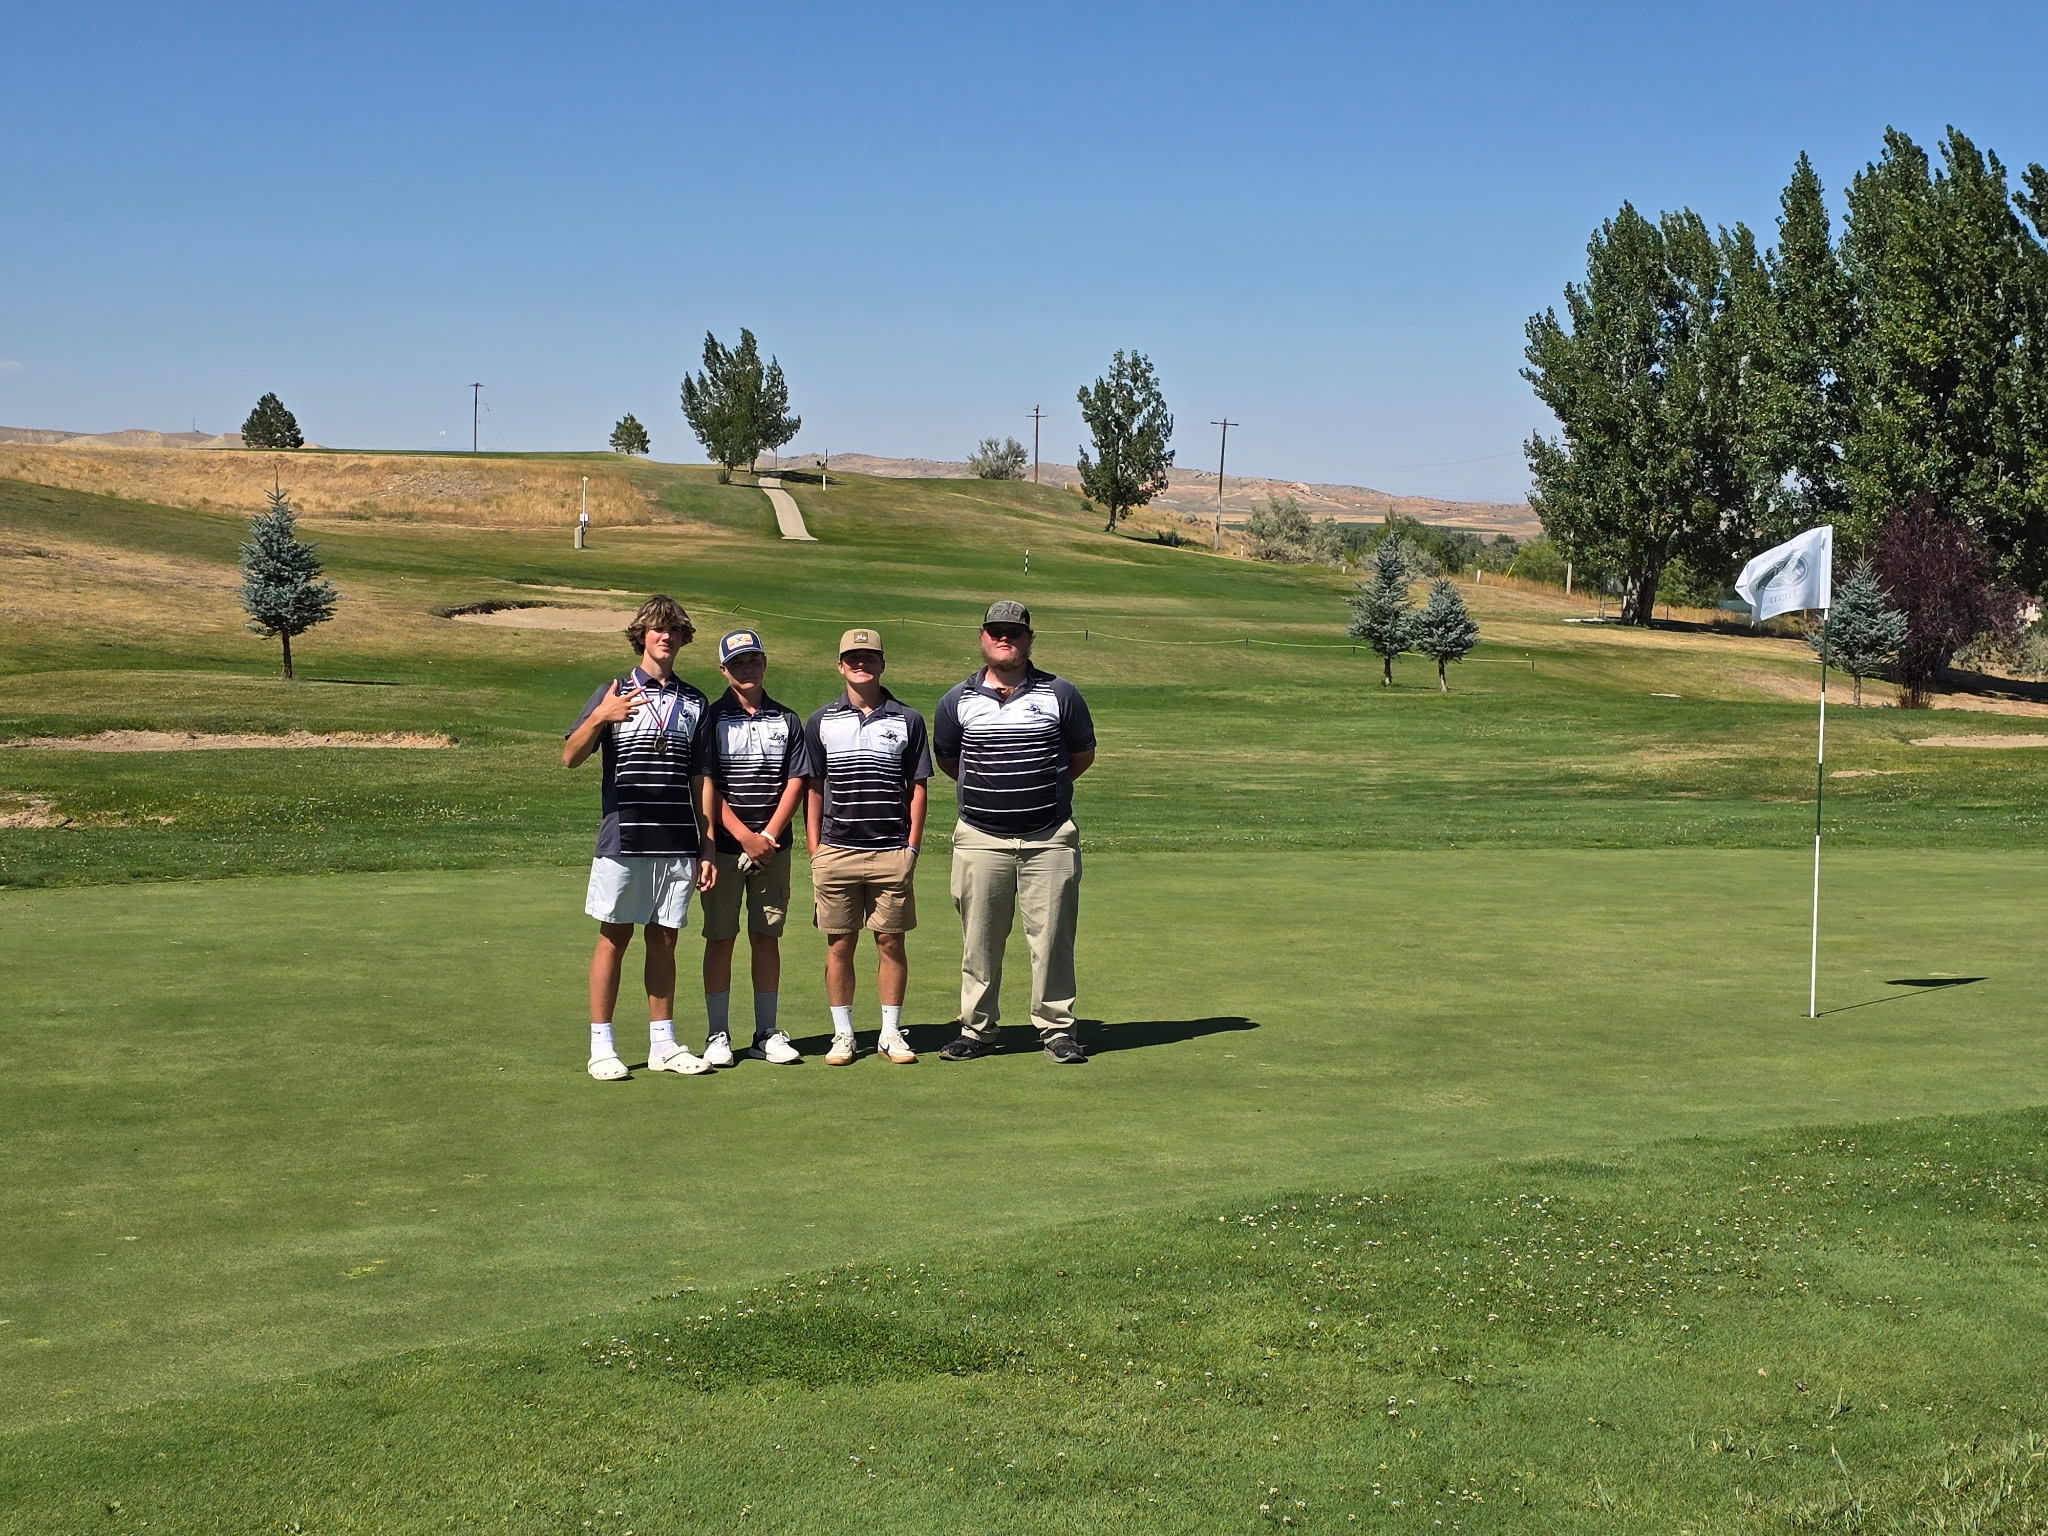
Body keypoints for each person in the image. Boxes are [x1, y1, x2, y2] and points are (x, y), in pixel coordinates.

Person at [562, 594, 718, 1081]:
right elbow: (570, 757)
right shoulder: (614, 690)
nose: (666, 636)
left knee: (665, 940)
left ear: (684, 638)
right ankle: (601, 1047)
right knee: (615, 937)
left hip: (677, 840)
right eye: (657, 628)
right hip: (624, 837)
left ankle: (662, 1044)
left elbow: (701, 778)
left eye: (674, 629)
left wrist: (707, 844)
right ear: (641, 636)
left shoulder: (695, 702)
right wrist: (599, 717)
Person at [933, 600, 1096, 1064]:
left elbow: (1080, 755)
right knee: (979, 941)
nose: (1005, 638)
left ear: (1029, 638)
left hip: (1049, 838)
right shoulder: (955, 700)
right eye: (996, 631)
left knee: (1052, 940)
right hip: (981, 836)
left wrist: (1041, 790)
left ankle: (1056, 1029)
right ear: (982, 637)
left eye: (1015, 632)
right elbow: (950, 761)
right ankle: (977, 1029)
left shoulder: (1060, 694)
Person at [802, 628, 932, 1066]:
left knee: (890, 942)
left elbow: (917, 787)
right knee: (839, 945)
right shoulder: (820, 721)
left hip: (891, 850)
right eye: (853, 658)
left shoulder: (908, 719)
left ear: (882, 664)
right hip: (836, 850)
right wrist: (815, 848)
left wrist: (912, 848)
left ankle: (890, 1033)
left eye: (870, 657)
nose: (861, 664)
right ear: (840, 665)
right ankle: (843, 1034)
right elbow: (814, 786)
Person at [692, 628, 809, 1066]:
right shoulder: (710, 719)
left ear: (764, 664)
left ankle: (765, 1033)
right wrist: (744, 836)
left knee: (766, 936)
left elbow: (796, 781)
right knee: (720, 937)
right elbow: (707, 784)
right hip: (723, 848)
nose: (747, 669)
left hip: (773, 850)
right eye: (737, 663)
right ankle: (717, 1034)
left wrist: (768, 837)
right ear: (723, 670)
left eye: (753, 660)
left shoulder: (787, 719)